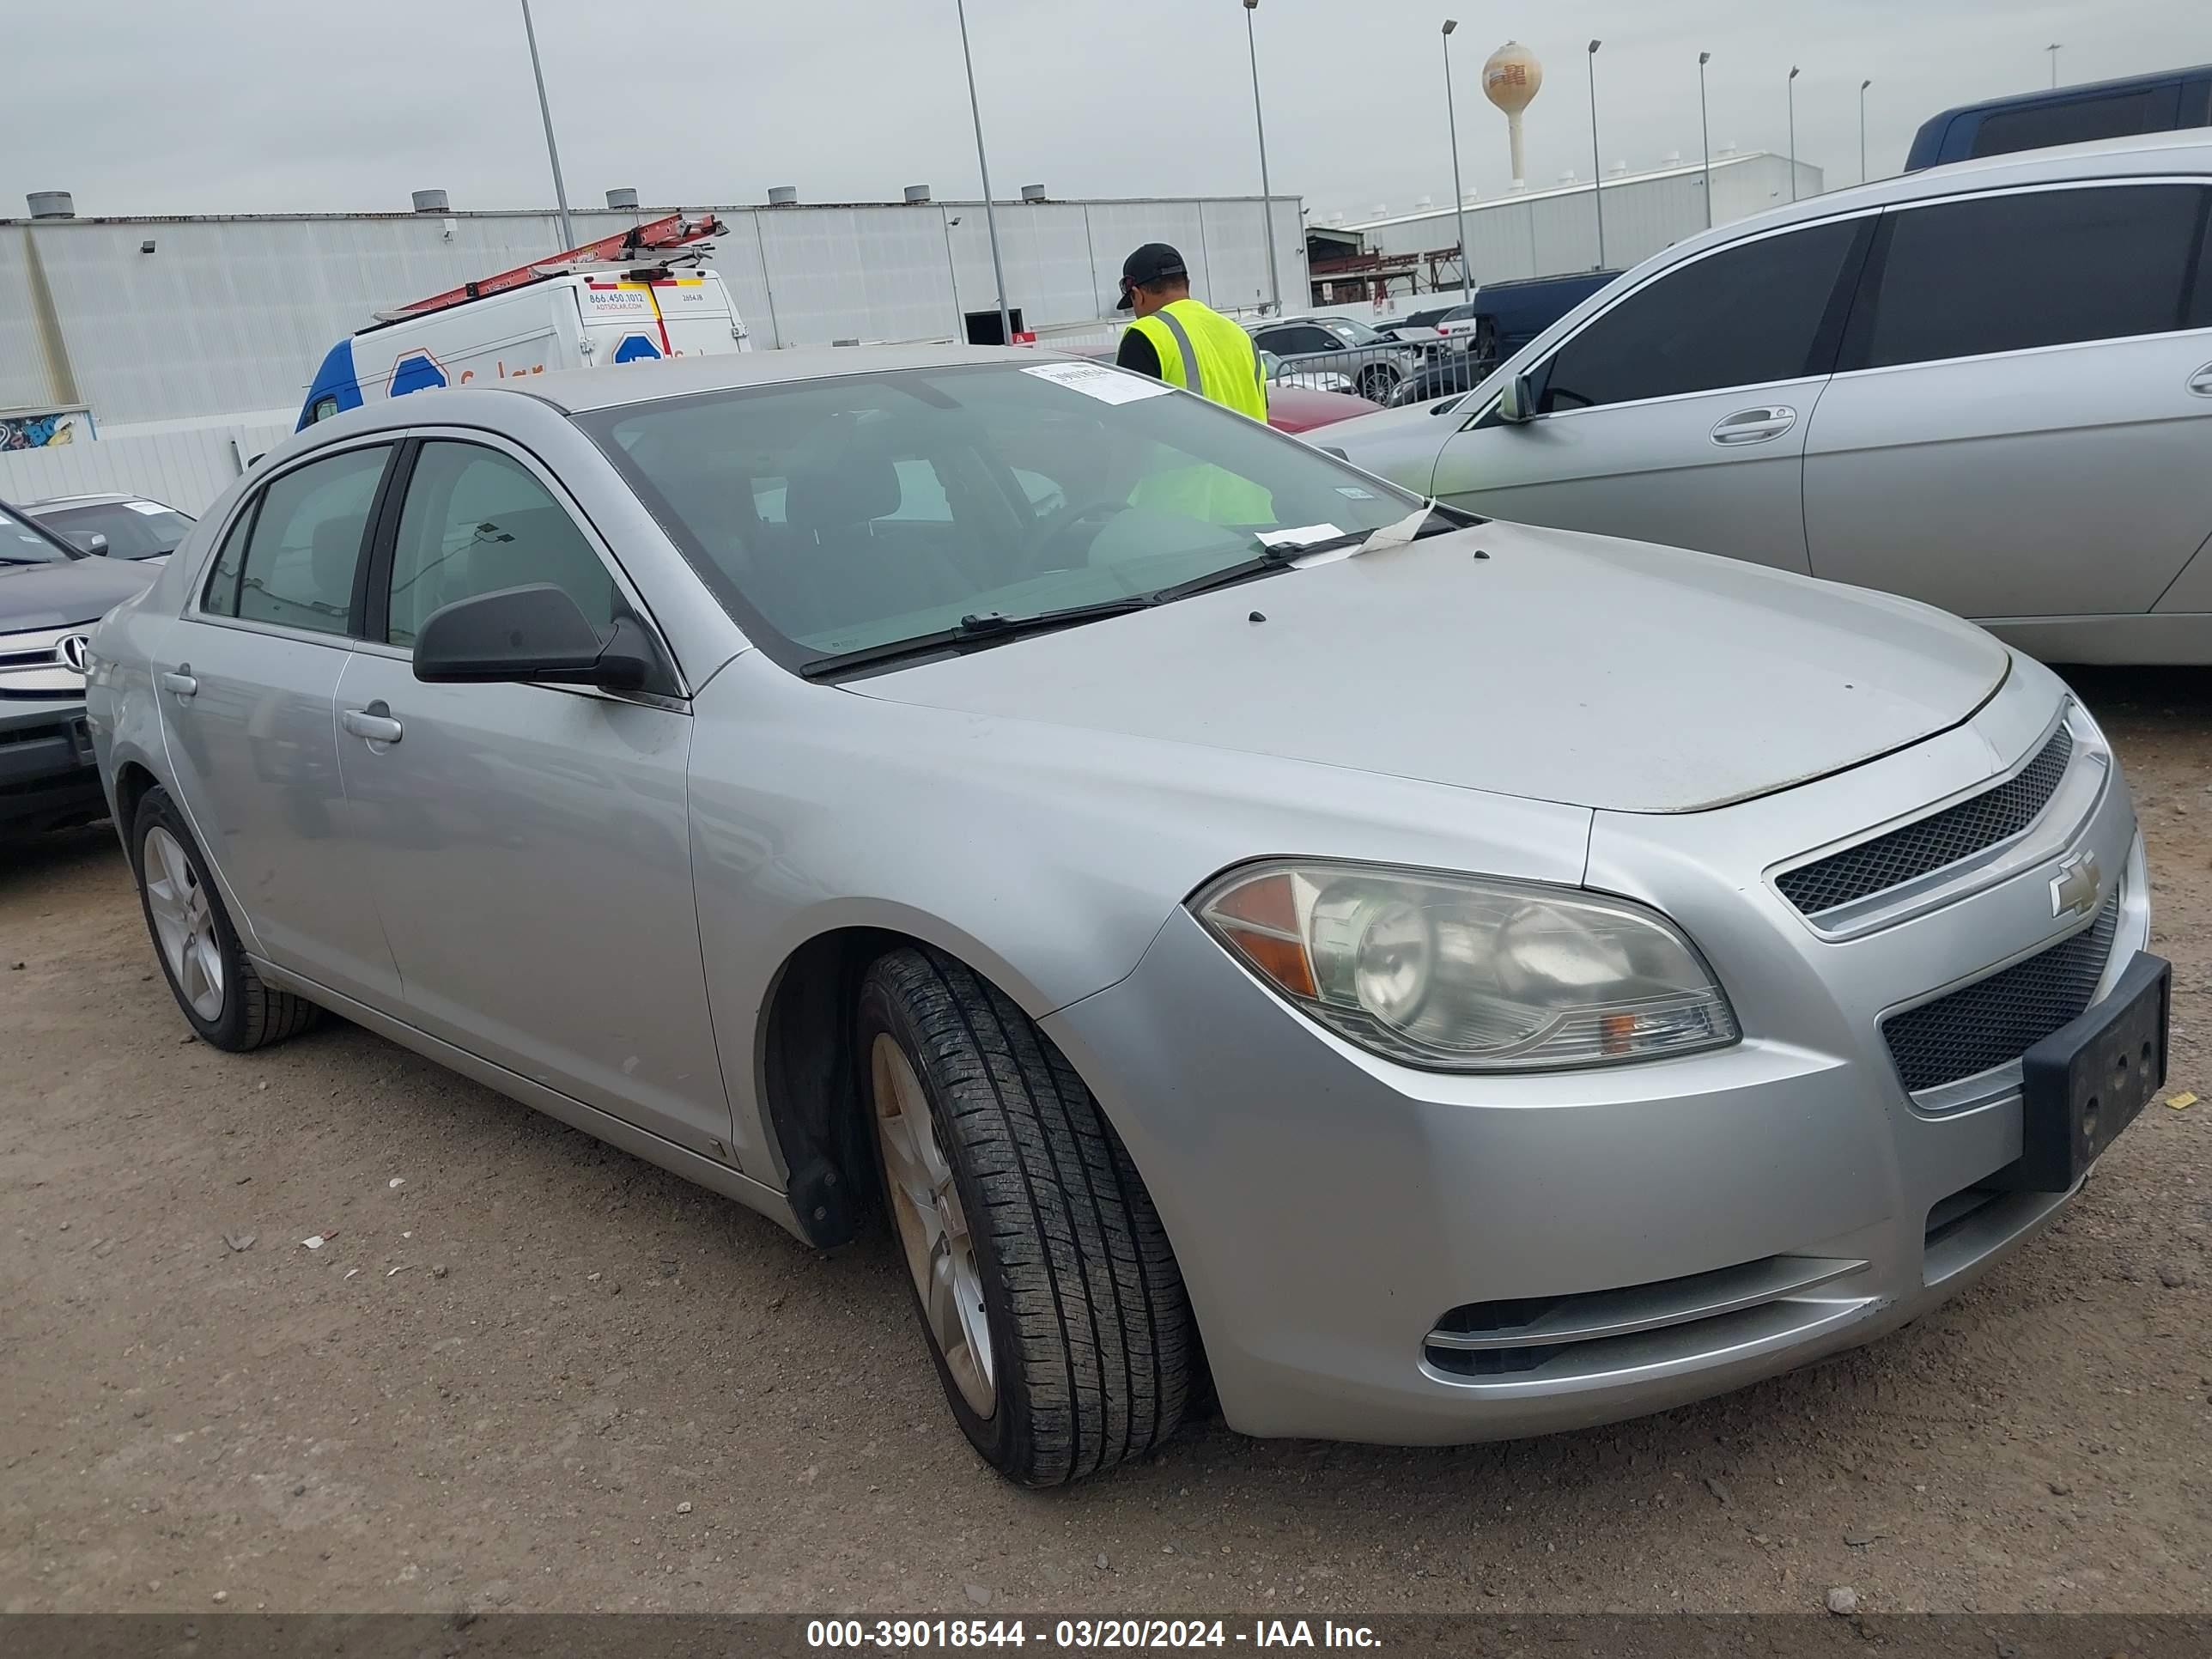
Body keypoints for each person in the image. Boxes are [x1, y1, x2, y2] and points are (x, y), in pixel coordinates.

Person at [1114, 244, 1268, 422]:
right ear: (1187, 284)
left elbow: (1132, 423)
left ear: (1137, 295)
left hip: (1190, 450)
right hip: (1252, 449)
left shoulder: (1145, 335)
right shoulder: (1241, 336)